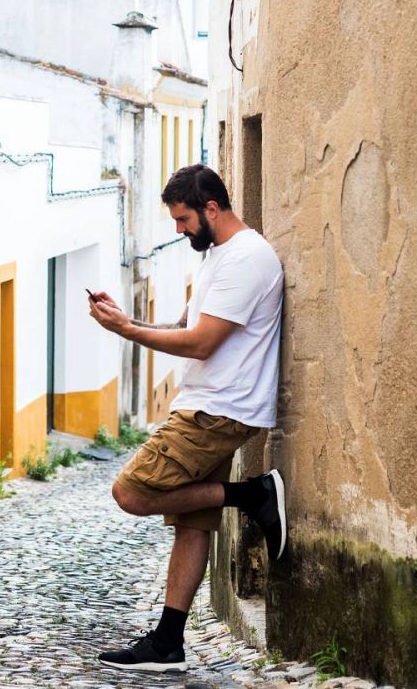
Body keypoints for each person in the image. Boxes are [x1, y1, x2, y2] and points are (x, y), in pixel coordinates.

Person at [88, 164, 287, 674]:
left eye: (182, 219)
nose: (178, 230)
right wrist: (126, 318)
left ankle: (254, 494)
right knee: (193, 527)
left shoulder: (246, 258)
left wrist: (126, 331)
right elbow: (185, 326)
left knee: (131, 492)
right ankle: (168, 642)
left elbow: (200, 342)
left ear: (211, 209)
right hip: (211, 403)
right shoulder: (222, 255)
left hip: (216, 411)